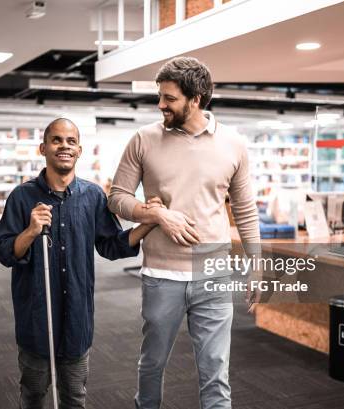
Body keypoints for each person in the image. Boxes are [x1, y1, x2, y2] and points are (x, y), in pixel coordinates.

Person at [108, 56, 261, 409]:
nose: (160, 104)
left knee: (215, 372)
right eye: (160, 96)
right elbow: (117, 198)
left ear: (195, 99)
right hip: (162, 275)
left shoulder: (234, 144)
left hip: (215, 274)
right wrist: (157, 214)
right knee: (152, 365)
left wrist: (257, 265)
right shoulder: (143, 140)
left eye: (169, 98)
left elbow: (245, 209)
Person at [0, 118, 161, 409]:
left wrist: (148, 221)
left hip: (77, 319)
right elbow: (3, 251)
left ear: (79, 150)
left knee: (74, 398)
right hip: (36, 319)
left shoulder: (93, 196)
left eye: (70, 142)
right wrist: (31, 231)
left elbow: (110, 245)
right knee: (33, 396)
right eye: (56, 140)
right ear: (43, 148)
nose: (64, 147)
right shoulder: (23, 197)